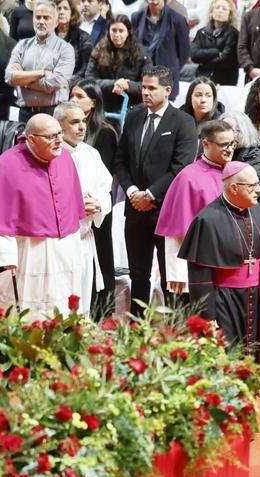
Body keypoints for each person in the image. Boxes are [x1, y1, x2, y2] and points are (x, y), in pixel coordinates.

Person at [0, 114, 84, 315]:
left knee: (58, 308)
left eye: (60, 134)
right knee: (19, 311)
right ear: (32, 139)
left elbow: (72, 207)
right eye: (51, 136)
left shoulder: (66, 159)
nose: (59, 140)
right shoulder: (7, 165)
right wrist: (3, 258)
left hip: (59, 253)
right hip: (25, 251)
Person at [114, 66, 198, 316]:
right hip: (135, 210)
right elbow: (120, 160)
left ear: (168, 90)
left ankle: (172, 337)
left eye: (152, 88)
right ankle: (137, 335)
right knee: (138, 277)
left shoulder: (183, 121)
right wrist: (131, 192)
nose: (145, 93)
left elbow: (180, 167)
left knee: (169, 280)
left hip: (166, 212)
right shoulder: (133, 116)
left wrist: (150, 194)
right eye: (144, 87)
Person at [179, 161, 260, 369]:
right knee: (227, 354)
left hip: (254, 294)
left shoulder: (258, 211)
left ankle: (247, 397)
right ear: (234, 188)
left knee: (252, 351)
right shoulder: (207, 219)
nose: (258, 190)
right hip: (224, 299)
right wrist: (207, 314)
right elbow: (199, 273)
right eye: (251, 186)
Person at [155, 120, 236, 298]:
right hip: (198, 261)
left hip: (227, 259)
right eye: (224, 144)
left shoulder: (235, 173)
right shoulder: (188, 177)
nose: (230, 149)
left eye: (233, 143)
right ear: (206, 144)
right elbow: (181, 231)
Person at [55, 101, 112, 313]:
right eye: (75, 122)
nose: (82, 127)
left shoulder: (91, 153)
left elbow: (106, 191)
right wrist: (78, 205)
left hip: (85, 238)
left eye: (83, 121)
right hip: (59, 242)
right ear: (59, 125)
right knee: (60, 304)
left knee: (83, 306)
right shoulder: (52, 154)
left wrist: (99, 204)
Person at [69, 78, 117, 313]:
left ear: (94, 102)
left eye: (79, 96)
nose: (74, 100)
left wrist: (94, 200)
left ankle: (101, 310)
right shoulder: (63, 135)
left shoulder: (105, 133)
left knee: (100, 262)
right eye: (72, 95)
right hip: (74, 211)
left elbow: (103, 176)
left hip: (96, 206)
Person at [5, 0, 75, 121]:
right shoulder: (22, 45)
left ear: (56, 22)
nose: (41, 21)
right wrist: (41, 73)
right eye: (38, 17)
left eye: (46, 18)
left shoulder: (65, 49)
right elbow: (9, 77)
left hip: (53, 113)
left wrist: (23, 80)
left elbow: (54, 83)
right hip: (25, 114)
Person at [85, 15, 150, 115]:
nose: (117, 34)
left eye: (121, 30)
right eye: (114, 30)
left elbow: (148, 84)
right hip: (104, 105)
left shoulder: (141, 53)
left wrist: (128, 85)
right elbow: (90, 80)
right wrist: (114, 83)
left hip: (133, 107)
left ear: (128, 32)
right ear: (108, 31)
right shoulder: (98, 51)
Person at [132, 0, 189, 101]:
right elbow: (134, 48)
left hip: (166, 82)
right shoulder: (136, 17)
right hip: (142, 82)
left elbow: (184, 53)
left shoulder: (178, 19)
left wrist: (170, 71)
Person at [190, 0, 238, 86]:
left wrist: (203, 61)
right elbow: (194, 55)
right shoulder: (201, 32)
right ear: (212, 11)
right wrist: (216, 52)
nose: (220, 10)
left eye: (224, 9)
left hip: (224, 81)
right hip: (202, 78)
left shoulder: (234, 34)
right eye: (217, 7)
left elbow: (225, 59)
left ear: (230, 15)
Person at [221, 110, 260, 187]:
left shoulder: (257, 158)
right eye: (220, 129)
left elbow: (253, 190)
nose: (222, 133)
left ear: (242, 132)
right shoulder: (218, 151)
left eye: (228, 129)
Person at [54, 0, 91, 79]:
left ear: (72, 13)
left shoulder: (83, 37)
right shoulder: (47, 35)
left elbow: (86, 68)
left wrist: (68, 81)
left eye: (65, 8)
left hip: (74, 82)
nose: (61, 12)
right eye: (58, 8)